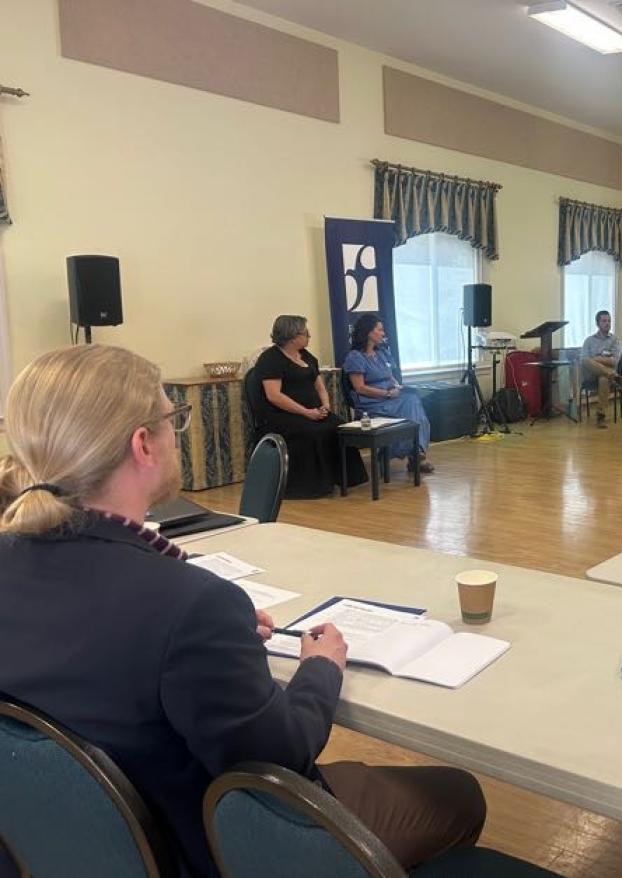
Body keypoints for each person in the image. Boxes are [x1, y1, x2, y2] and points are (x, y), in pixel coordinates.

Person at [0, 346, 486, 877]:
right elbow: (280, 756)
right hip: (207, 846)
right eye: (173, 419)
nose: (175, 434)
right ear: (143, 444)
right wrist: (321, 667)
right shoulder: (190, 604)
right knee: (459, 796)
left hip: (65, 844)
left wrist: (220, 642)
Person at [252, 315, 366, 498]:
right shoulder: (271, 359)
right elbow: (274, 396)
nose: (309, 336)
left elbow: (320, 386)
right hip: (283, 415)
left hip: (313, 411)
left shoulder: (307, 357)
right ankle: (312, 486)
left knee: (339, 427)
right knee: (313, 432)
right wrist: (306, 412)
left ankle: (343, 478)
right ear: (292, 336)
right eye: (305, 333)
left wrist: (325, 406)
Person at [343, 314, 434, 473]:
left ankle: (415, 451)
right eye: (380, 330)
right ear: (369, 332)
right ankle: (414, 454)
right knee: (411, 404)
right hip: (372, 402)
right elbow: (360, 388)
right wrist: (385, 393)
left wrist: (397, 387)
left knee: (413, 400)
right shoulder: (355, 357)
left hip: (391, 397)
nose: (383, 333)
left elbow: (390, 376)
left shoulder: (382, 353)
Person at [580, 309, 622, 429]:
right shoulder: (589, 341)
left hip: (605, 374)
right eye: (604, 321)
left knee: (603, 379)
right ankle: (614, 376)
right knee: (585, 361)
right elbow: (584, 360)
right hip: (591, 373)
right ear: (597, 323)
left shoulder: (615, 341)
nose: (607, 323)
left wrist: (595, 358)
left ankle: (601, 415)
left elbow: (614, 361)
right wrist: (600, 359)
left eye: (609, 321)